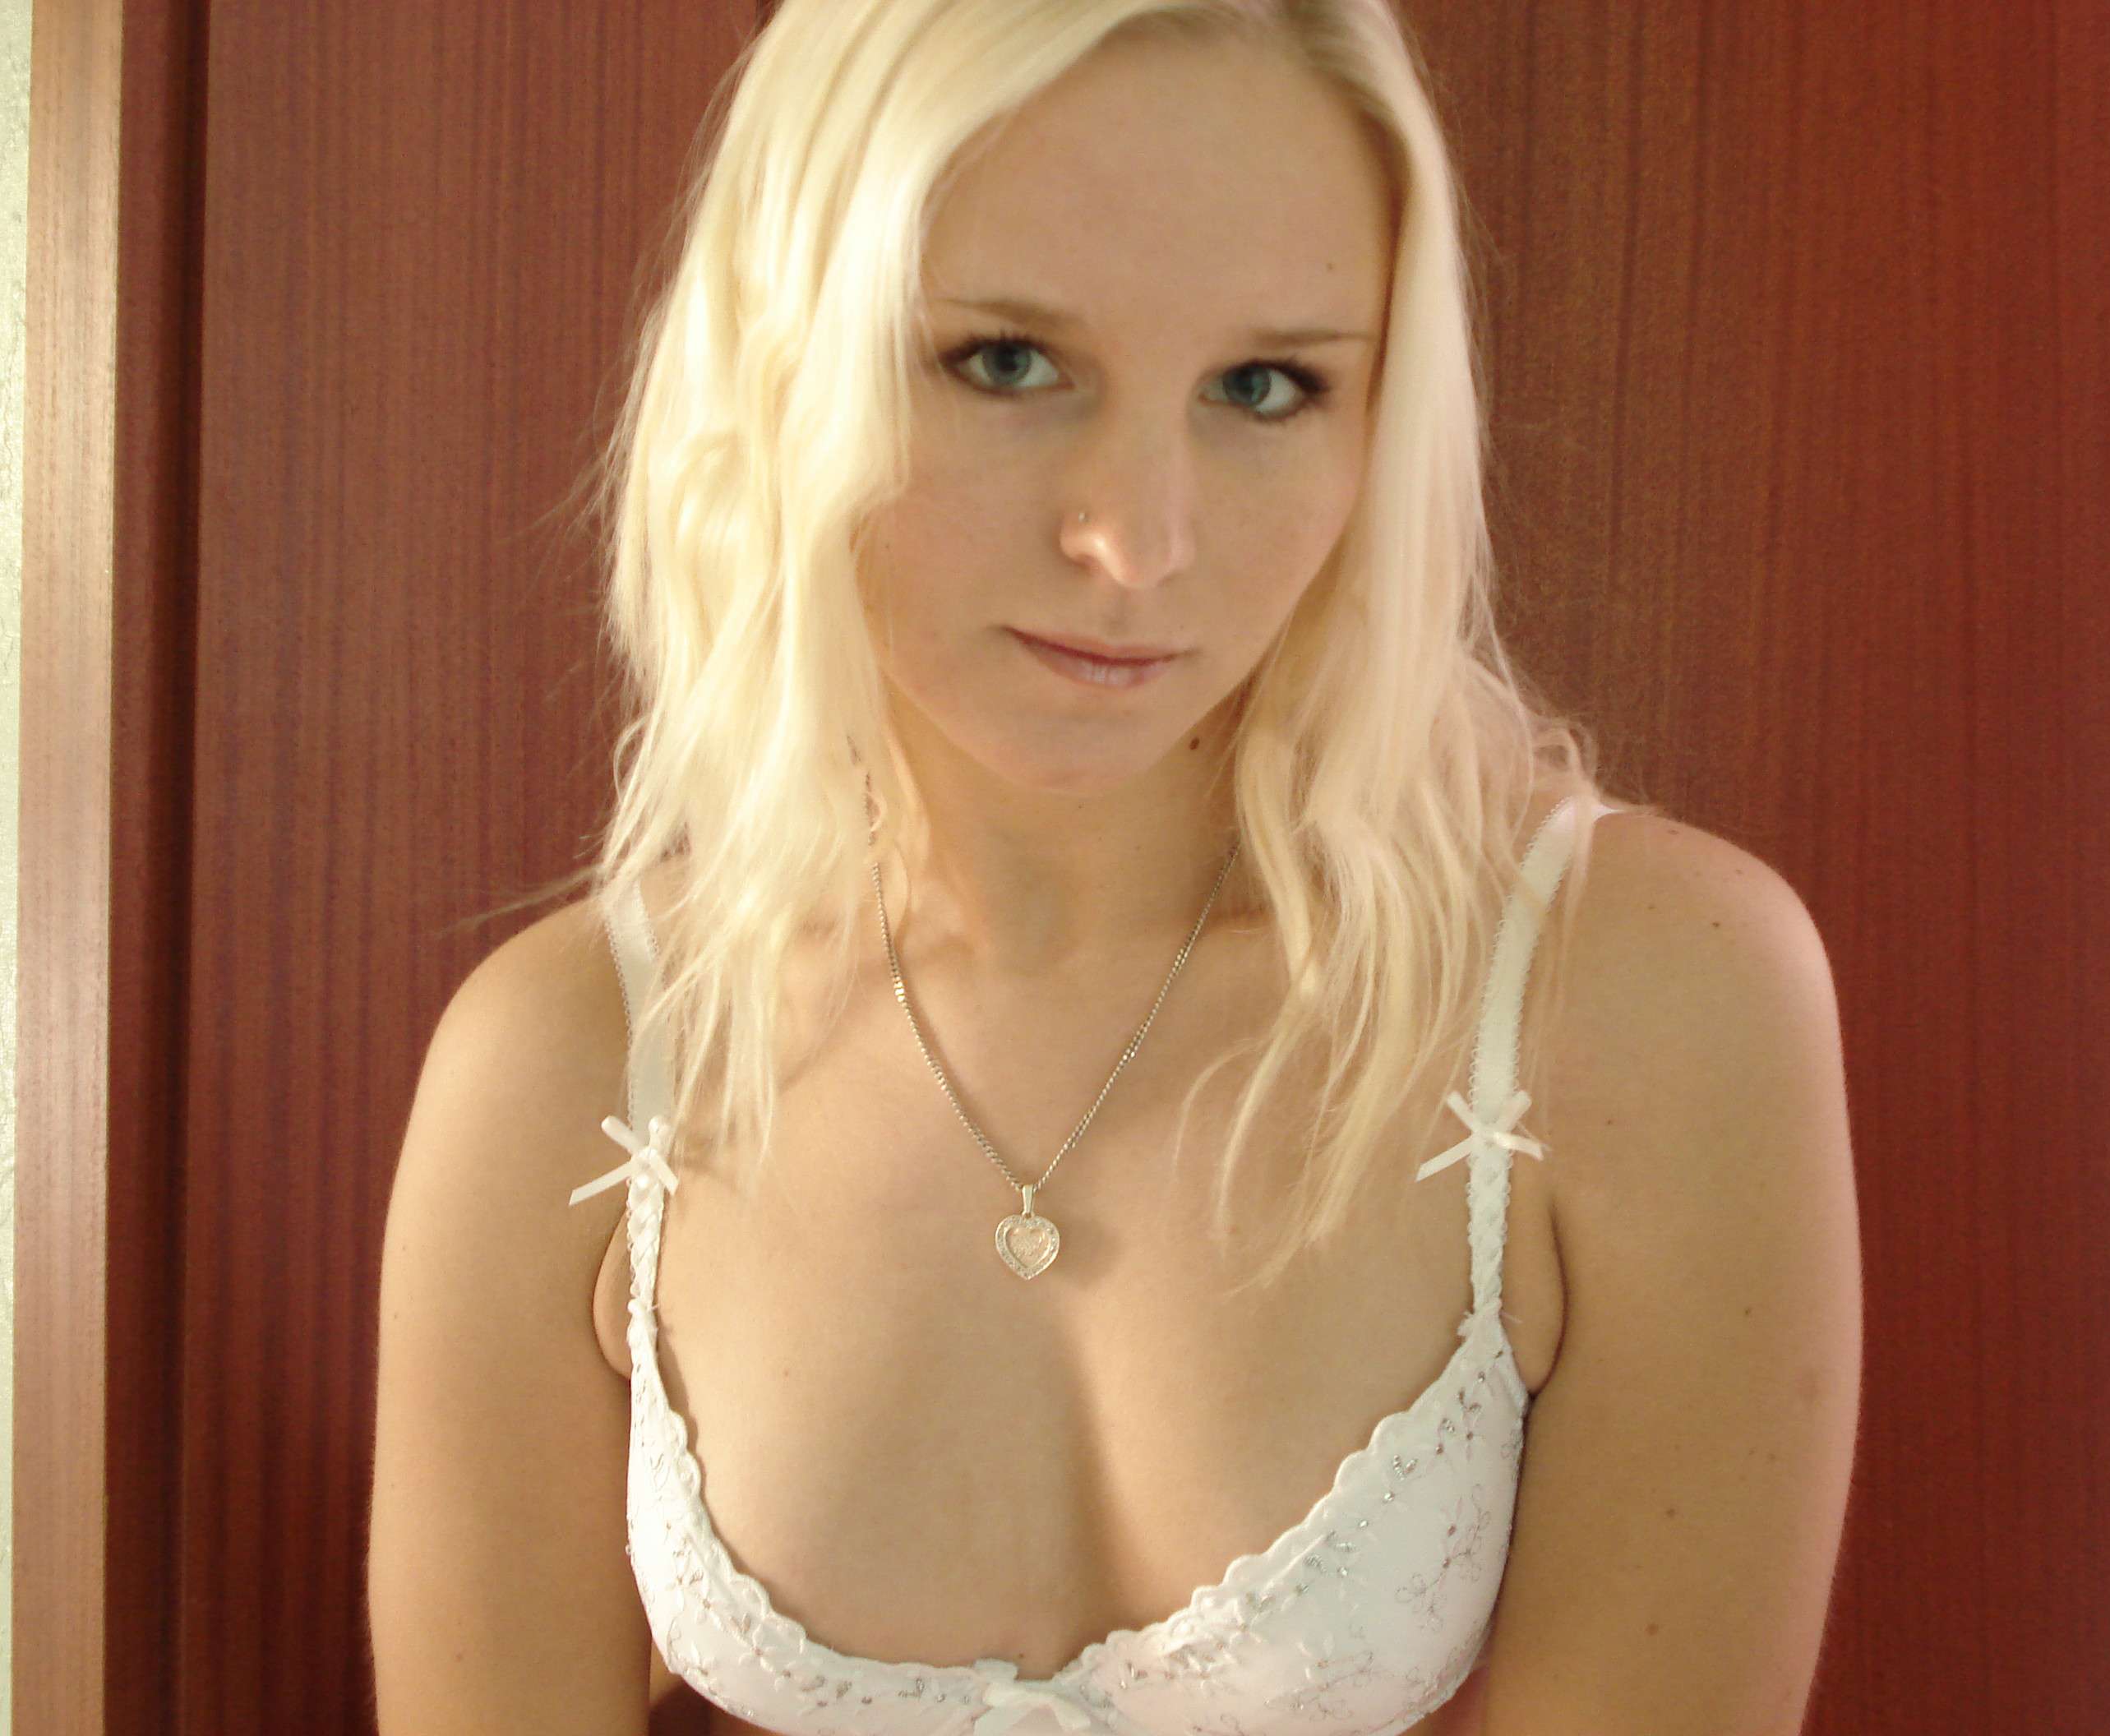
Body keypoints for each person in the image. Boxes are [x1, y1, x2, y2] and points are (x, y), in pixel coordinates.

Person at [368, 3, 1862, 1733]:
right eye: (1007, 362)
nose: (1136, 542)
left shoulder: (1638, 998)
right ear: (782, 352)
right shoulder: (572, 1063)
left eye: (1263, 387)